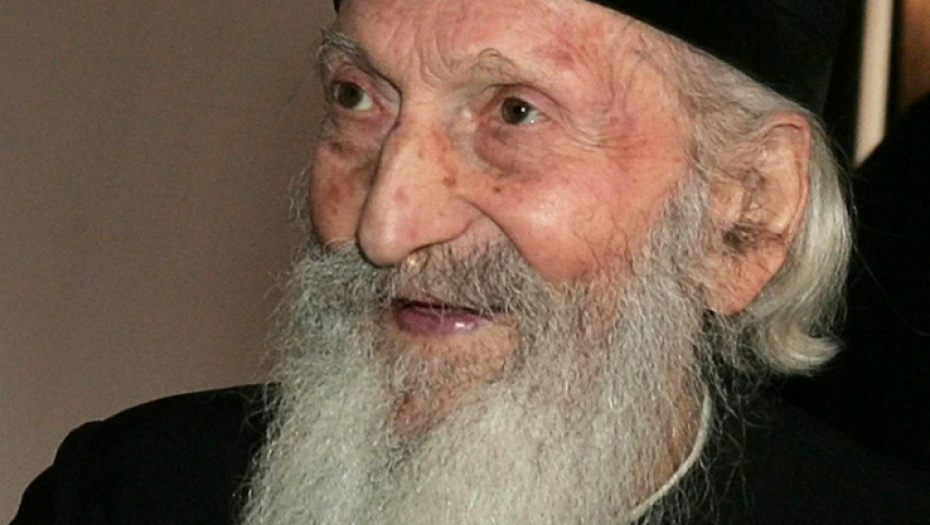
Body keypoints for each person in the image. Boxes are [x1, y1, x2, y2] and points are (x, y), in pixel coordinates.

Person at [11, 0, 930, 524]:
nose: (386, 225)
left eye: (515, 113)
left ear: (748, 209)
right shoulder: (127, 493)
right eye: (357, 97)